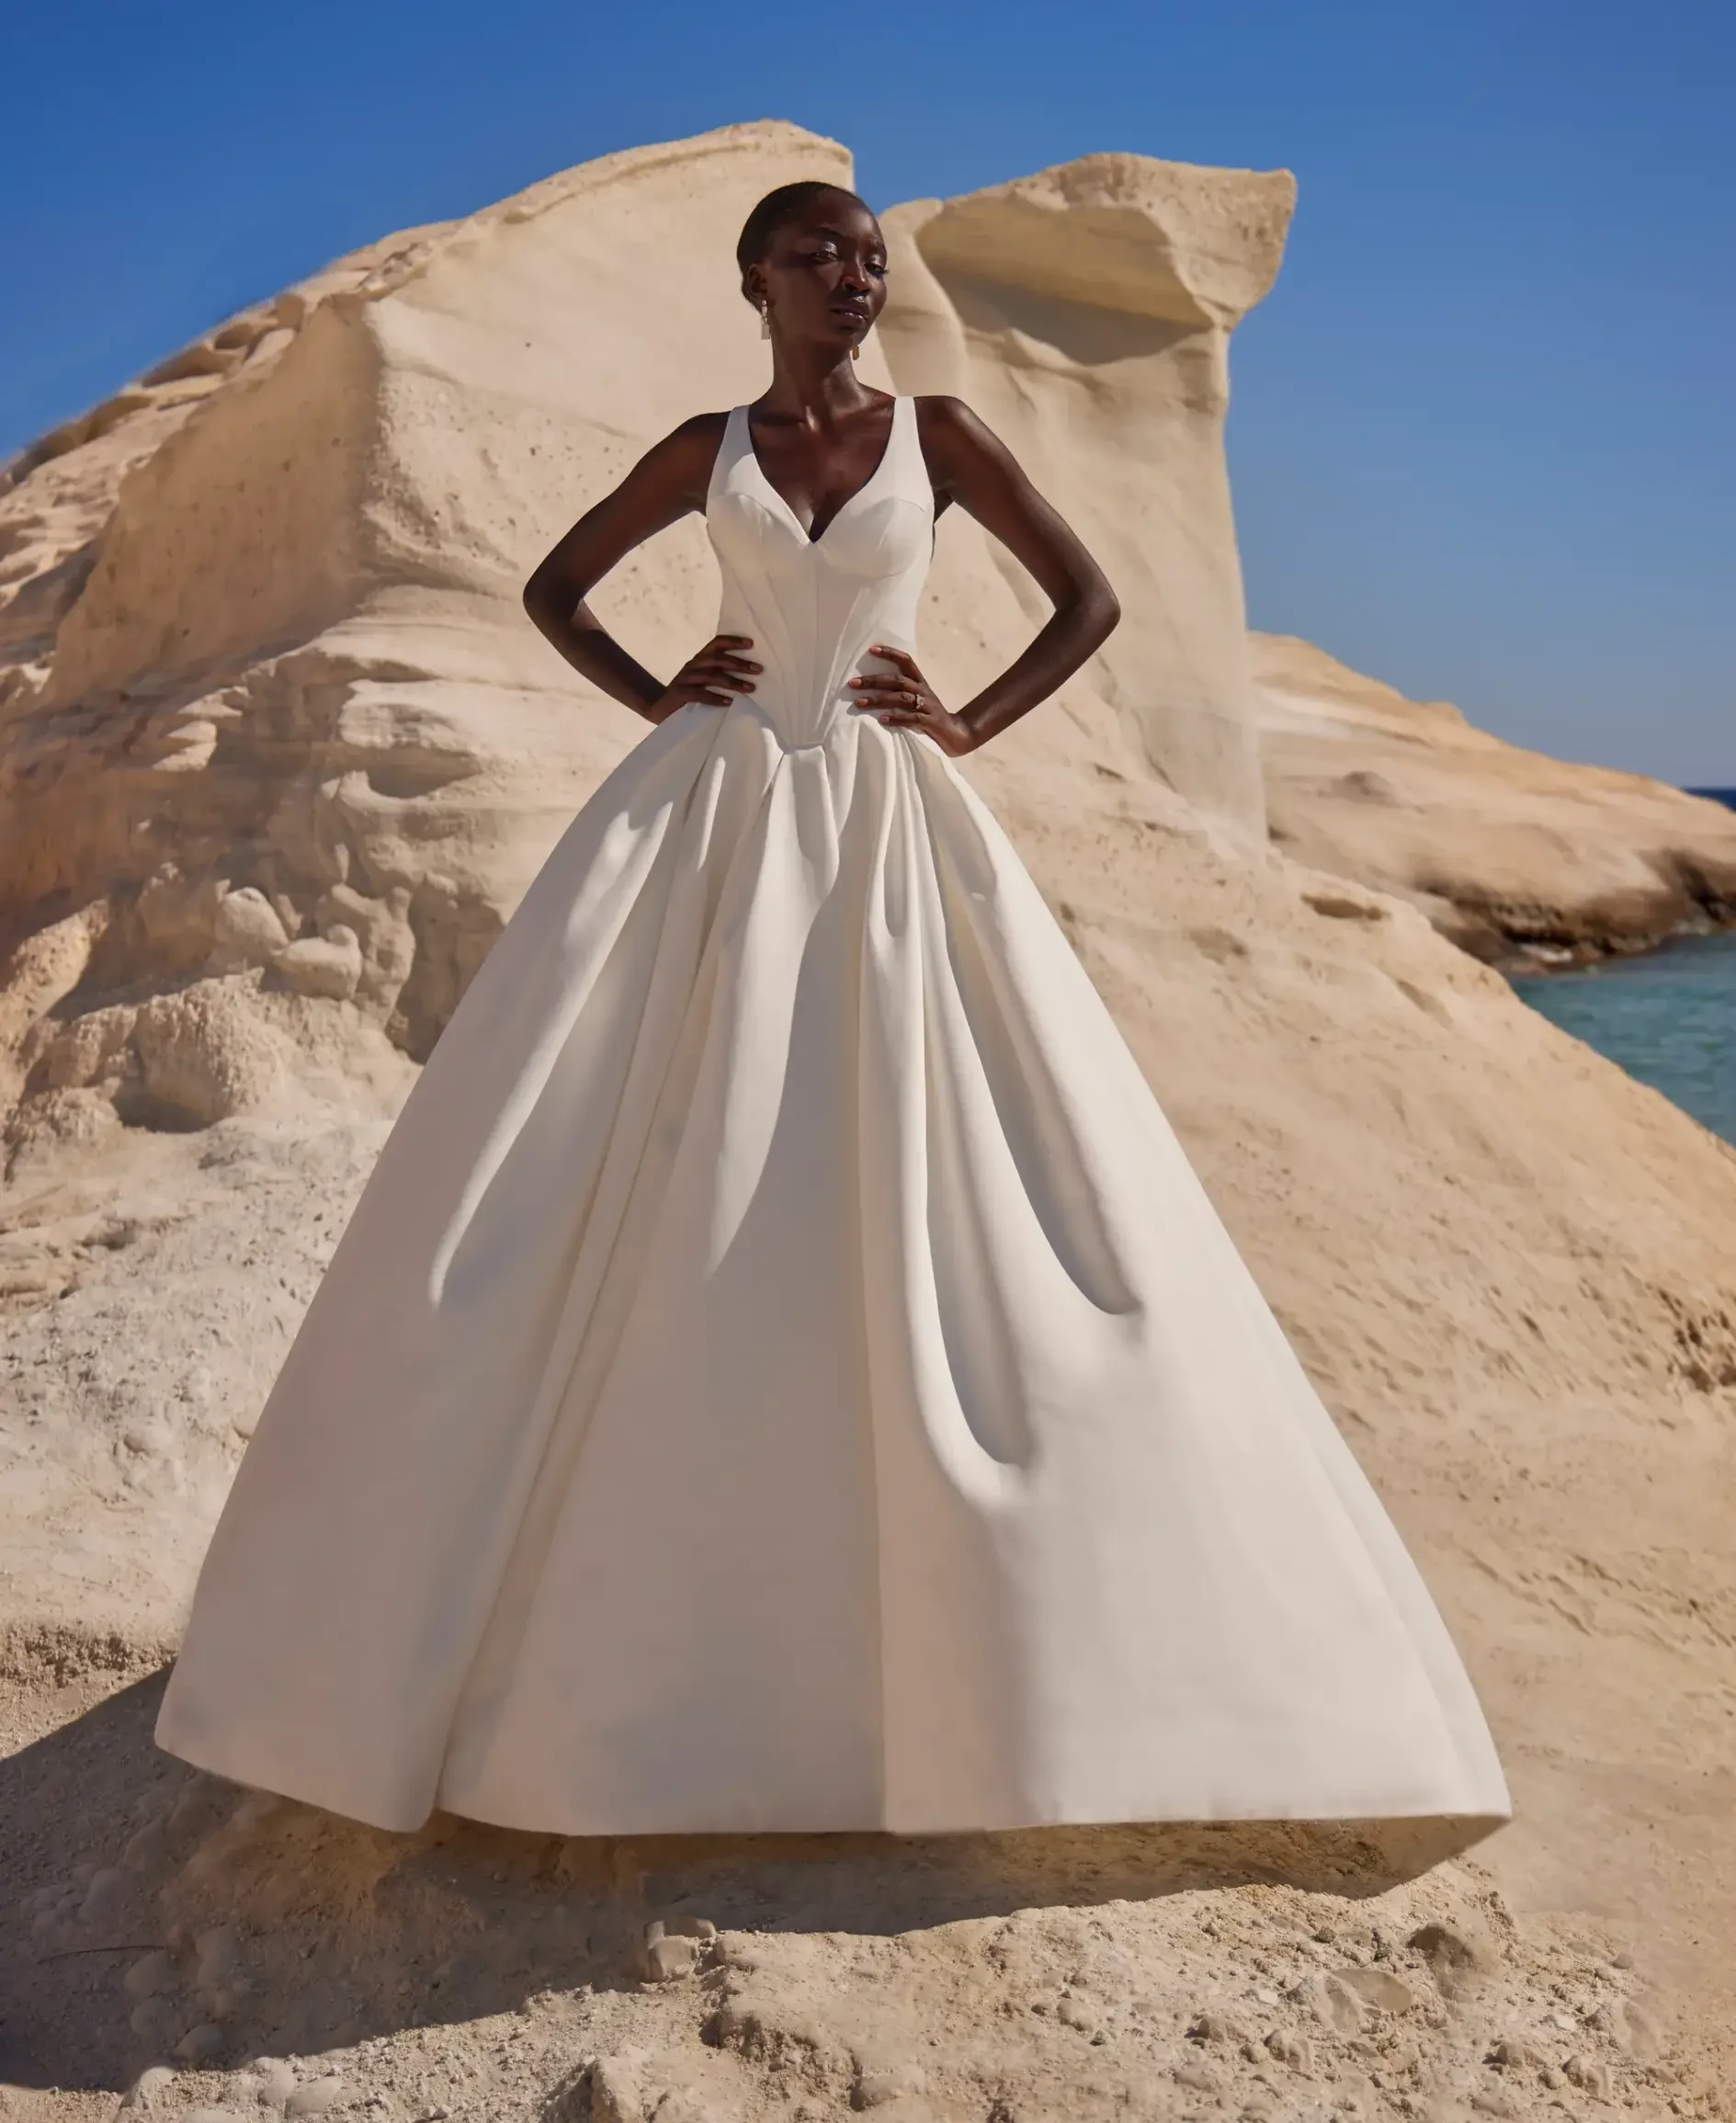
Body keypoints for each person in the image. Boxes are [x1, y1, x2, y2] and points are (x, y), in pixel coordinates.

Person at [155, 181, 1510, 1838]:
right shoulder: (705, 444)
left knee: (956, 1161)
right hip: (711, 811)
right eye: (821, 257)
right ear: (756, 281)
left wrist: (965, 721)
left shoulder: (941, 431)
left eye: (871, 259)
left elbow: (1087, 600)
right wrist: (661, 693)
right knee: (620, 1148)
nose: (854, 278)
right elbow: (558, 586)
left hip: (883, 813)